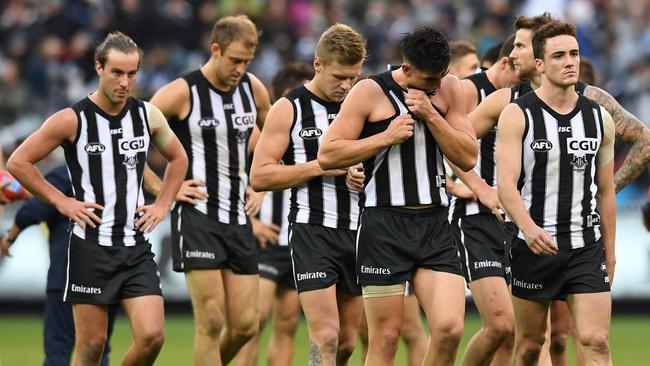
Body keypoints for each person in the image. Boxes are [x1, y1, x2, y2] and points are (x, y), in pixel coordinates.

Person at [6, 31, 188, 366]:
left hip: (135, 247)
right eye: (117, 72)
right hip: (90, 248)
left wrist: (163, 202)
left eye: (132, 73)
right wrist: (62, 202)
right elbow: (18, 162)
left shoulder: (147, 115)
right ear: (99, 68)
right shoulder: (72, 119)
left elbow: (179, 158)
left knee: (152, 338)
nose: (125, 81)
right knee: (92, 346)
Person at [318, 26, 478, 366]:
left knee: (449, 330)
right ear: (406, 70)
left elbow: (467, 156)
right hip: (383, 227)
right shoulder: (369, 91)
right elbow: (328, 154)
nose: (435, 85)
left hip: (435, 224)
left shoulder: (449, 88)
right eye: (427, 79)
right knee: (386, 340)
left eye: (440, 76)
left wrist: (432, 115)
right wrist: (384, 138)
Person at [149, 14, 271, 366]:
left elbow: (278, 139)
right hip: (199, 217)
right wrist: (165, 189)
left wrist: (260, 185)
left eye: (247, 61)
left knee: (247, 326)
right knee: (212, 321)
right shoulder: (181, 92)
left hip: (238, 217)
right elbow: (131, 140)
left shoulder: (254, 89)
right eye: (234, 60)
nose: (240, 68)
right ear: (215, 49)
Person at [496, 22, 615, 365]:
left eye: (574, 54)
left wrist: (610, 250)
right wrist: (529, 229)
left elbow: (605, 191)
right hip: (534, 246)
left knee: (596, 341)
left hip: (585, 247)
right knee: (532, 346)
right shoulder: (518, 115)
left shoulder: (599, 118)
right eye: (559, 55)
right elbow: (506, 184)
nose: (570, 62)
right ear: (540, 64)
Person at [250, 23, 366, 366]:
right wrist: (319, 166)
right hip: (311, 230)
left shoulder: (363, 102)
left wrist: (362, 173)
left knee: (347, 343)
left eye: (353, 78)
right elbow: (260, 175)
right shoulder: (289, 108)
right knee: (326, 336)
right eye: (339, 77)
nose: (346, 86)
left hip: (361, 232)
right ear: (318, 65)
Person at [446, 34, 519, 366]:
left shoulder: (532, 98)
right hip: (474, 217)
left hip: (515, 221)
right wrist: (463, 185)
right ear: (506, 63)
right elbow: (446, 144)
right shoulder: (470, 90)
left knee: (516, 333)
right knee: (500, 323)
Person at [236, 62, 313, 366]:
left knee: (288, 324)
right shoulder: (257, 138)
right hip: (264, 243)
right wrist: (250, 223)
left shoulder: (313, 135)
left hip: (297, 241)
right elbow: (228, 182)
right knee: (253, 324)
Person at [1, 165, 118, 366]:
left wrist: (9, 238)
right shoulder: (114, 173)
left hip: (67, 272)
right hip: (109, 273)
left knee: (59, 347)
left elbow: (35, 210)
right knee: (98, 347)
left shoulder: (68, 172)